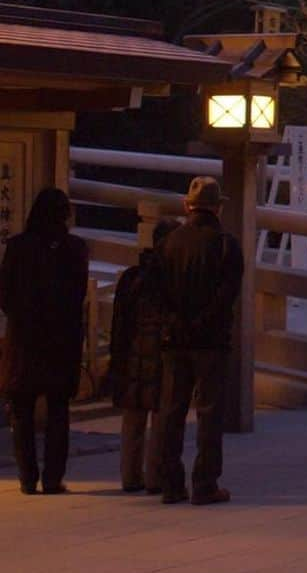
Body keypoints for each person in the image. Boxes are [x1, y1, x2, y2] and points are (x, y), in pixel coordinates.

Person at [155, 175, 243, 506]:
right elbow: (227, 294)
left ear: (186, 206)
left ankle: (170, 483)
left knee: (171, 410)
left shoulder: (168, 242)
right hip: (211, 340)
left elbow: (157, 292)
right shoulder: (225, 244)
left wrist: (177, 321)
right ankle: (205, 483)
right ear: (218, 208)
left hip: (175, 340)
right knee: (209, 411)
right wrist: (202, 320)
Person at [0, 187, 88, 495]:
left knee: (21, 411)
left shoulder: (17, 247)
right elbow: (78, 297)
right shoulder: (75, 249)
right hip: (60, 340)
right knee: (57, 412)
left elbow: (5, 295)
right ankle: (52, 478)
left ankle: (27, 477)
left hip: (24, 340)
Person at [106, 217, 179, 493]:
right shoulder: (173, 278)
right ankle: (155, 477)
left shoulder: (132, 277)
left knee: (133, 418)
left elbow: (118, 322)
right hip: (161, 356)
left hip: (131, 354)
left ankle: (130, 475)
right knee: (160, 419)